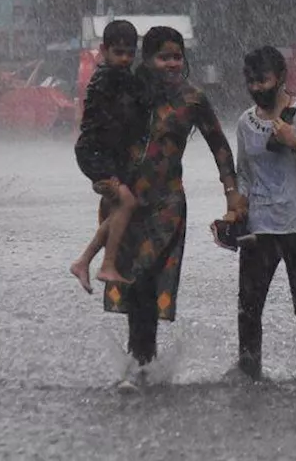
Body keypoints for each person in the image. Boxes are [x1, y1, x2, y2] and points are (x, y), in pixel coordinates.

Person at [105, 26, 245, 389]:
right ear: (147, 60)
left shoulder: (192, 99)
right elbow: (98, 136)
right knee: (133, 284)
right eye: (163, 57)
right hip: (127, 206)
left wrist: (231, 192)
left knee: (145, 279)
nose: (171, 64)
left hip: (167, 207)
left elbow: (220, 146)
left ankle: (140, 366)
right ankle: (143, 363)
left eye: (177, 57)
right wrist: (100, 177)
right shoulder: (130, 94)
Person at [222, 45, 296, 380]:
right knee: (248, 305)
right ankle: (249, 371)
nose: (257, 88)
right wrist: (236, 207)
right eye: (251, 82)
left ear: (281, 78)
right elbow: (244, 172)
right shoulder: (245, 123)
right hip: (261, 227)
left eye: (263, 80)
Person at [70, 19, 146, 291]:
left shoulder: (117, 77)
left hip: (105, 154)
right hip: (95, 154)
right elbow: (118, 120)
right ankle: (107, 265)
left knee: (120, 209)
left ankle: (83, 261)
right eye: (119, 52)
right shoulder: (109, 78)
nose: (125, 59)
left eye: (130, 53)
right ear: (103, 50)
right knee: (126, 203)